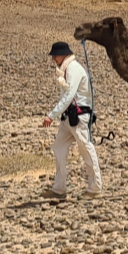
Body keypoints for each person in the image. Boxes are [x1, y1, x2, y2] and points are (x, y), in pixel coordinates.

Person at [42, 41, 102, 198]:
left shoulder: (73, 69)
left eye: (55, 55)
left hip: (79, 117)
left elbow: (69, 96)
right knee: (59, 148)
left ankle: (95, 188)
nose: (53, 58)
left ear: (63, 55)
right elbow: (66, 95)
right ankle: (59, 189)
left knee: (86, 150)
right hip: (68, 118)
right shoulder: (65, 70)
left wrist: (51, 115)